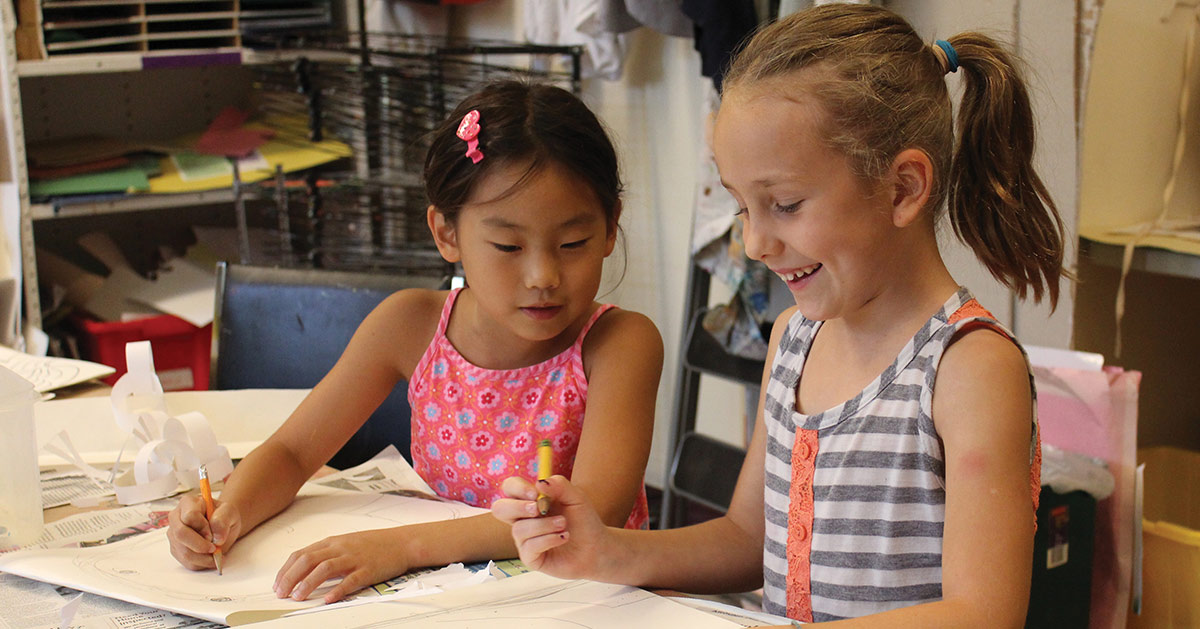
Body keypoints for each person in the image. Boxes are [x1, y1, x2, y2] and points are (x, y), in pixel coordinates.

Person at [492, 4, 1069, 626]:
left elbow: (983, 614)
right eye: (743, 207)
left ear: (902, 188)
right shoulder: (796, 340)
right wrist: (606, 551)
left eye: (786, 204)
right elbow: (747, 541)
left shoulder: (971, 369)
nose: (756, 243)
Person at [166, 81, 663, 605]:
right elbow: (292, 453)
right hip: (444, 601)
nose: (543, 275)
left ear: (611, 227)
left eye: (572, 244)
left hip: (579, 604)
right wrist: (226, 515)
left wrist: (404, 545)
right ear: (446, 233)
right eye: (508, 246)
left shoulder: (619, 344)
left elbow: (584, 516)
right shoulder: (410, 325)